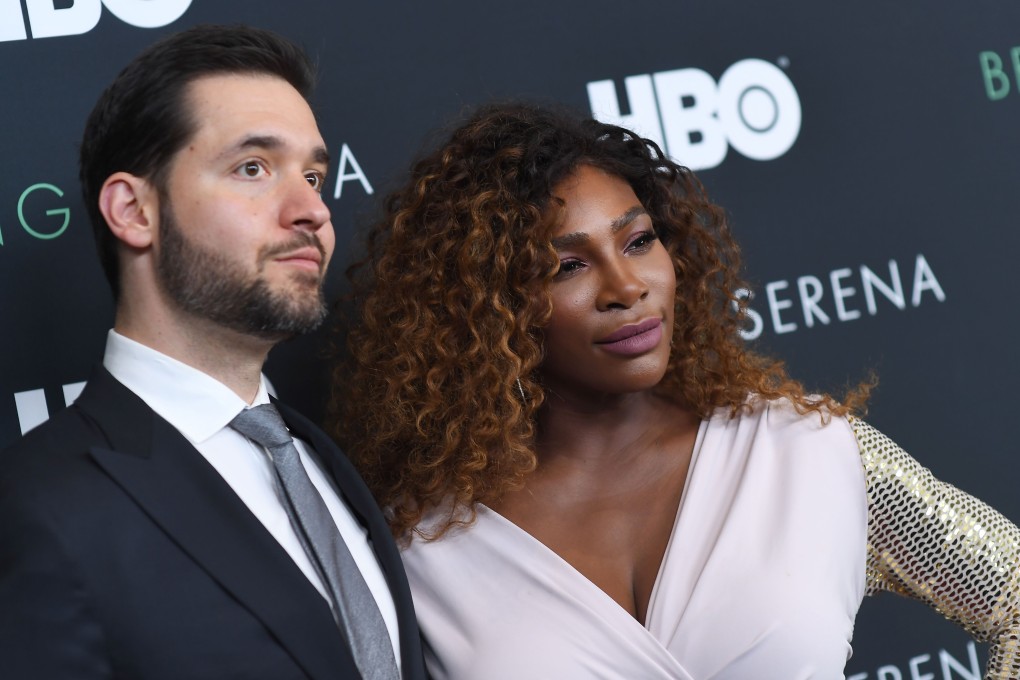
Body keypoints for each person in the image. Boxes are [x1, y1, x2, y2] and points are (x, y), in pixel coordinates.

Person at [330, 103, 1020, 678]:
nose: (626, 287)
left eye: (637, 242)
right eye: (566, 265)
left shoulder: (801, 451)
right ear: (484, 307)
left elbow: (1011, 593)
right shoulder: (424, 544)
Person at [0, 25, 426, 680]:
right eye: (252, 168)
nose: (311, 207)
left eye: (314, 174)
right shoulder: (38, 505)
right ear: (134, 211)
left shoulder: (320, 458)